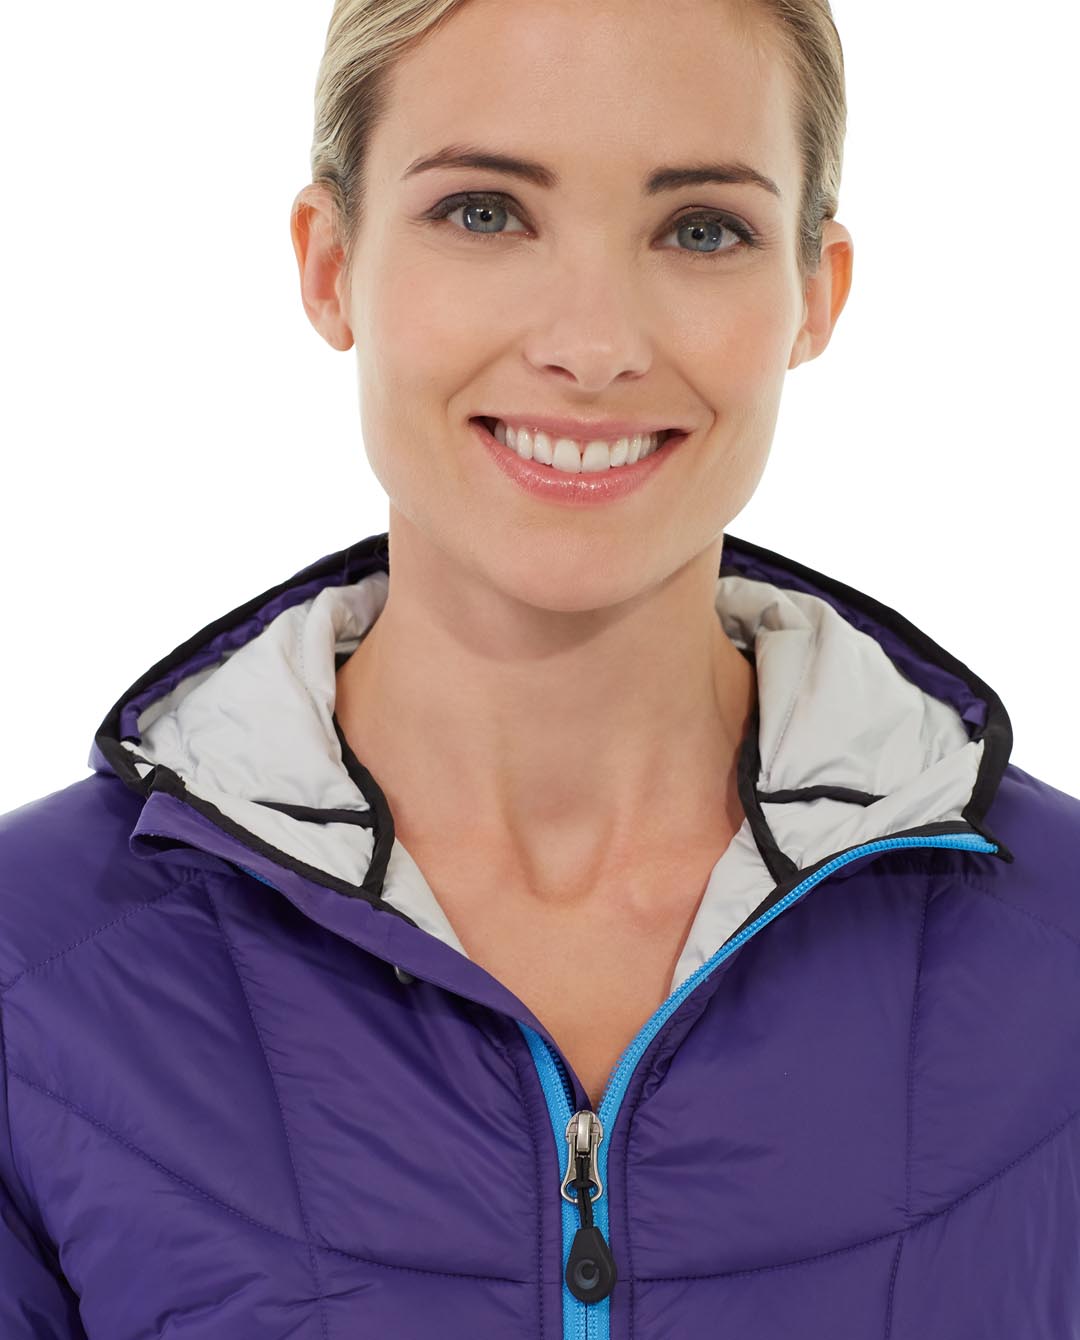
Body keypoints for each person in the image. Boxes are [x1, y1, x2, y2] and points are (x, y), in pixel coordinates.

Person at [1, 0, 1076, 1336]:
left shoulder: (1062, 962)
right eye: (484, 212)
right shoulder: (30, 974)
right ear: (330, 264)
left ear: (817, 294)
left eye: (701, 229)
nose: (593, 343)